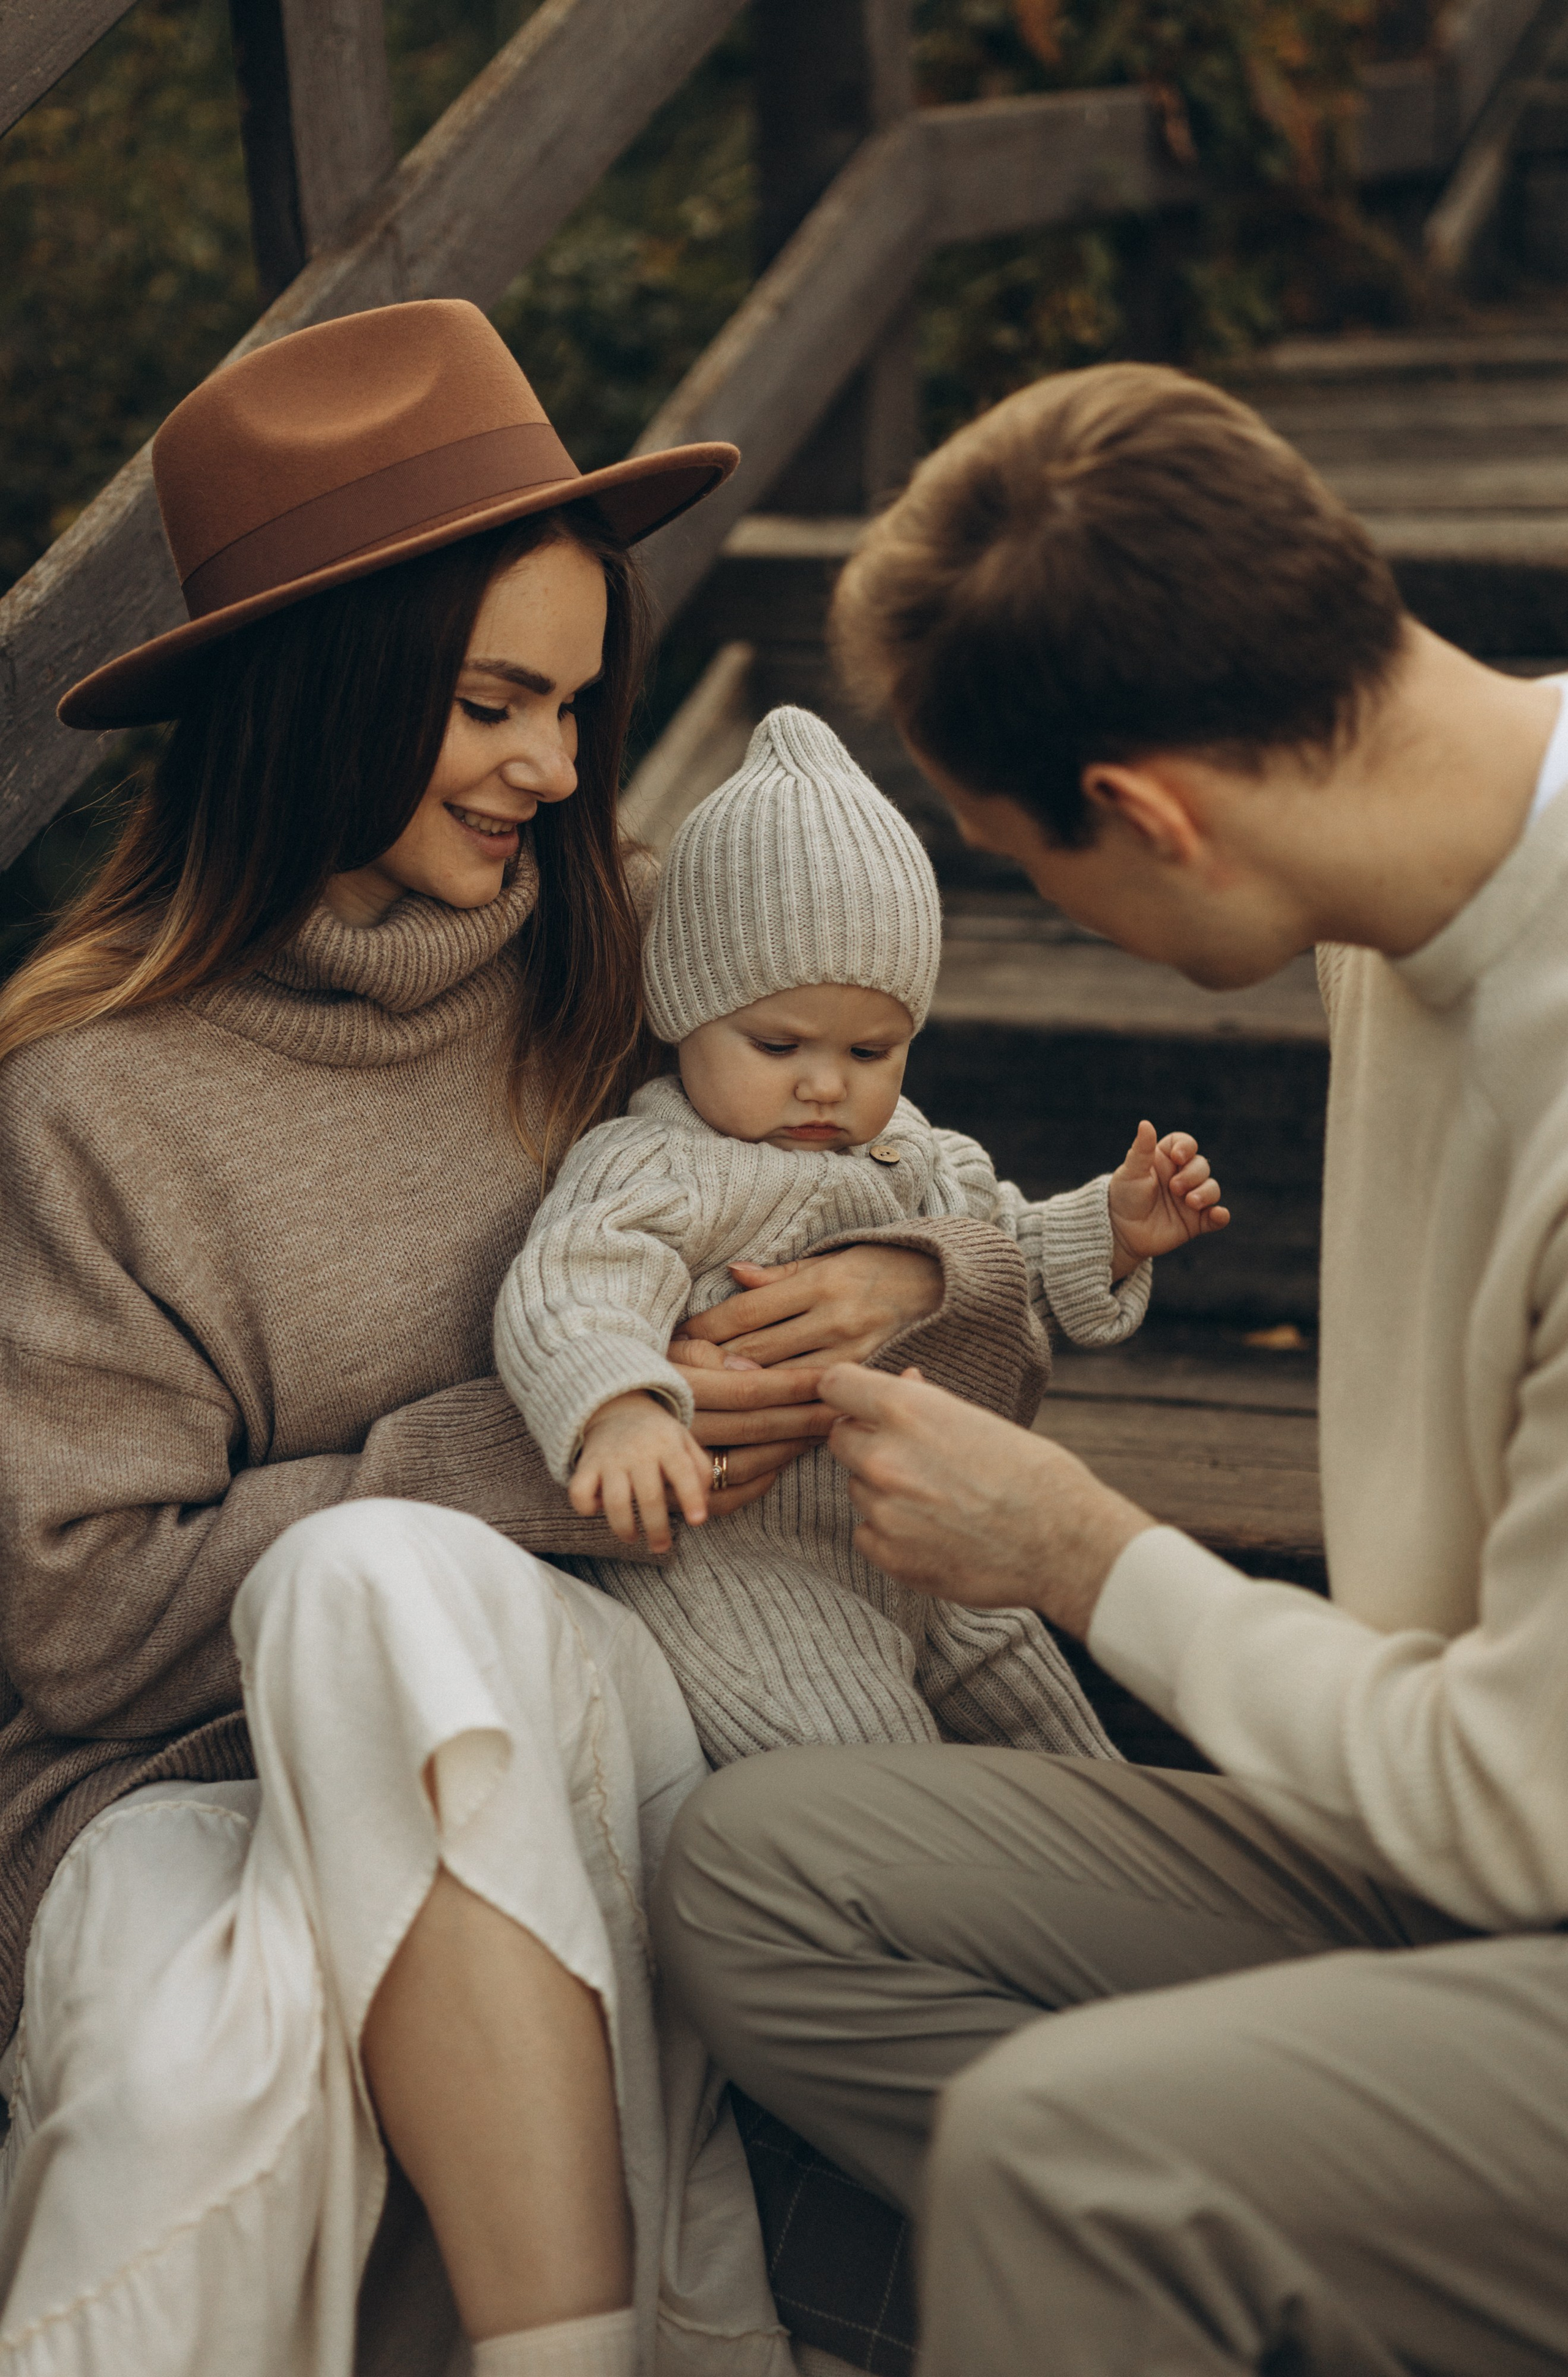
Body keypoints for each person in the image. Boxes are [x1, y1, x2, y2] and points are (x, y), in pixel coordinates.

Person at [0, 299, 1051, 2377]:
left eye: (575, 705)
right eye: (496, 704)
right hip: (175, 1779)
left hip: (623, 1698)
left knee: (374, 1576)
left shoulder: (646, 963)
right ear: (326, 692)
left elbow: (983, 1342)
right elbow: (75, 1621)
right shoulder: (89, 1103)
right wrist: (510, 1455)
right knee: (199, 2056)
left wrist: (913, 1296)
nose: (557, 769)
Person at [652, 361, 1568, 2376]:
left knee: (1067, 2159)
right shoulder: (1407, 856)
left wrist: (1085, 1555)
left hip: (1527, 1847)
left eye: (1021, 860)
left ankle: (1144, 2255)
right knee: (757, 1877)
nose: (1038, 907)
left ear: (1152, 814)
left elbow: (1524, 1813)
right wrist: (918, 1266)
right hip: (1461, 1843)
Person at [494, 701, 1227, 1767]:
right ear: (677, 1012)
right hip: (751, 1576)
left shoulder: (916, 1154)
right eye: (777, 1042)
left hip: (923, 1546)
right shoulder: (656, 1164)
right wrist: (621, 1411)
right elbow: (572, 1286)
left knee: (1059, 1732)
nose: (826, 1083)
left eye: (875, 1051)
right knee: (866, 1756)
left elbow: (1001, 1247)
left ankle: (1110, 1905)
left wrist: (1106, 1234)